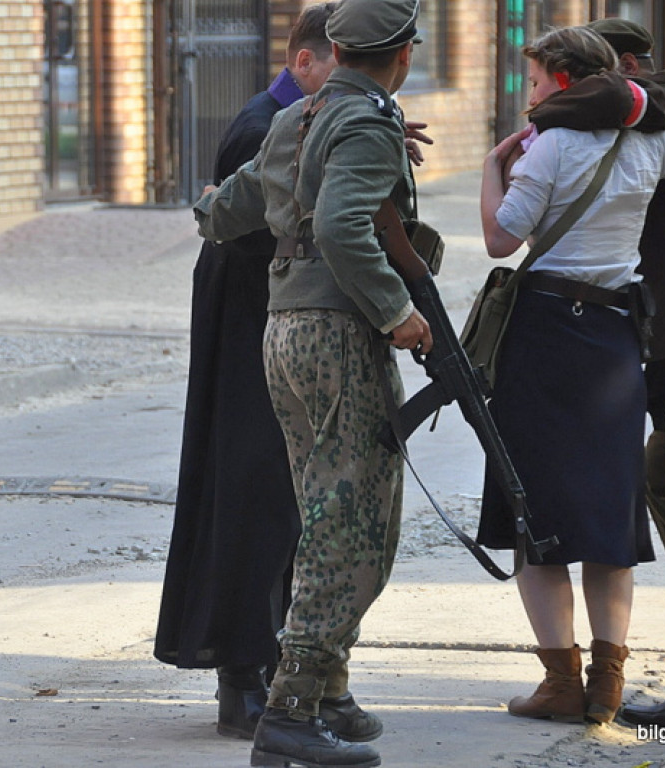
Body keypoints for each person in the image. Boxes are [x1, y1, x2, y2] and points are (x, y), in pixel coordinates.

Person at [195, 0, 432, 764]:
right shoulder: (367, 121)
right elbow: (339, 227)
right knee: (355, 531)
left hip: (285, 332)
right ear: (403, 54)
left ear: (335, 48)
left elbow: (218, 212)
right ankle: (293, 710)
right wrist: (396, 311)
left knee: (323, 515)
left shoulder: (298, 118)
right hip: (337, 339)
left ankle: (324, 689)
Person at [478, 25, 665, 725]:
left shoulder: (549, 145)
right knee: (608, 510)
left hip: (544, 335)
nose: (530, 94)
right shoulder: (654, 145)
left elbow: (503, 237)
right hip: (616, 339)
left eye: (533, 82)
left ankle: (560, 683)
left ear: (563, 80)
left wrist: (492, 167)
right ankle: (609, 683)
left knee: (537, 508)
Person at [153, 3, 341, 742]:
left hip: (271, 327)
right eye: (340, 68)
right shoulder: (265, 127)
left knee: (283, 506)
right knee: (254, 499)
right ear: (303, 62)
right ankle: (244, 677)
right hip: (251, 333)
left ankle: (270, 665)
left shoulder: (302, 120)